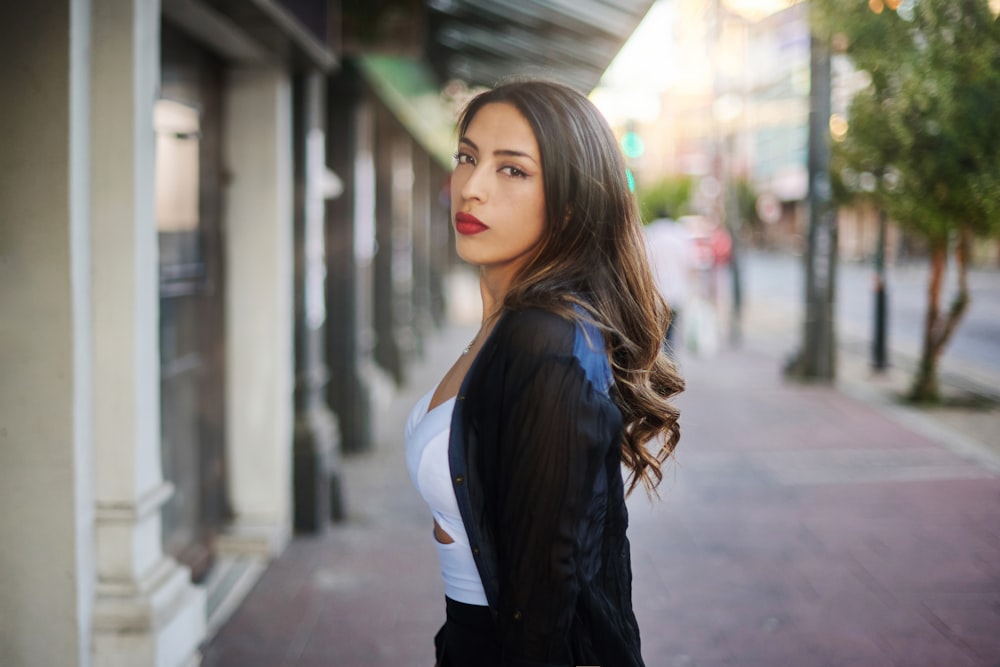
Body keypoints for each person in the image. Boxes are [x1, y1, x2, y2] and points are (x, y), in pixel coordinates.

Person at [404, 79, 684, 667]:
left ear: (571, 203)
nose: (472, 188)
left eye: (512, 170)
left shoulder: (546, 341)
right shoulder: (507, 327)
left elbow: (545, 605)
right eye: (467, 157)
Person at [643, 208, 695, 357]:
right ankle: (670, 361)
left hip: (656, 293)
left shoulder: (650, 234)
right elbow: (690, 264)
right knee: (672, 331)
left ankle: (662, 363)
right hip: (676, 293)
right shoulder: (679, 235)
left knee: (659, 333)